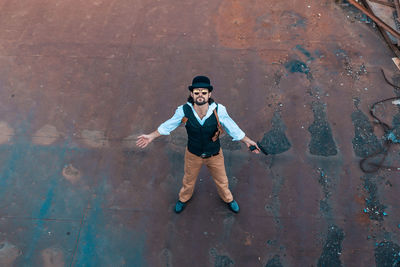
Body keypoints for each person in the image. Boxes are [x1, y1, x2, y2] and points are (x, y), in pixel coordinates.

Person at [136, 76, 260, 213]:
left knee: (222, 181)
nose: (200, 95)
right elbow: (168, 125)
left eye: (204, 92)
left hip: (215, 154)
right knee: (188, 181)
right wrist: (151, 136)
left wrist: (248, 141)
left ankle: (228, 199)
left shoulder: (219, 110)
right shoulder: (184, 110)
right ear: (192, 94)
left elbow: (233, 128)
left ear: (209, 94)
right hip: (193, 154)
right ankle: (183, 199)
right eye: (197, 92)